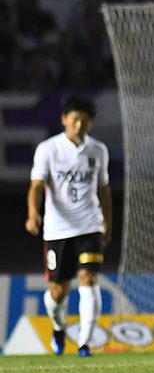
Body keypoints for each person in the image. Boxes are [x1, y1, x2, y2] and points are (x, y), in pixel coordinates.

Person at [25, 94, 111, 357]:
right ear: (64, 120)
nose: (79, 125)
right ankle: (58, 326)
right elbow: (36, 186)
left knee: (89, 277)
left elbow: (104, 190)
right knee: (58, 291)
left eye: (84, 121)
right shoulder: (48, 149)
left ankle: (85, 344)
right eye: (75, 120)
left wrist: (107, 222)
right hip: (58, 229)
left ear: (90, 123)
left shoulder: (98, 150)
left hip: (89, 225)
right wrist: (33, 214)